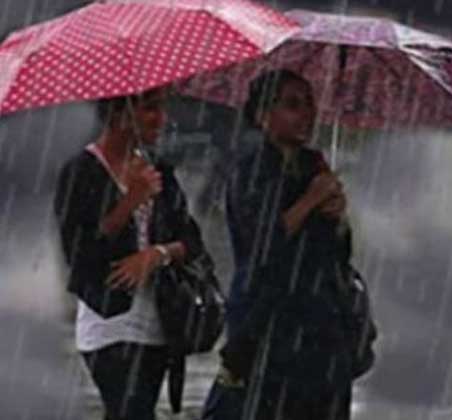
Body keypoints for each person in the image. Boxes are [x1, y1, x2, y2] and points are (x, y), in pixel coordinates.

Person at [202, 69, 357, 420]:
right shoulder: (251, 171)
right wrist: (310, 200)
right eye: (292, 104)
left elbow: (339, 254)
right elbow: (263, 245)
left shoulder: (315, 168)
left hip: (322, 326)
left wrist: (338, 217)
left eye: (309, 104)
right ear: (263, 116)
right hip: (267, 326)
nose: (306, 114)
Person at [54, 88, 211, 420]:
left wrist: (156, 254)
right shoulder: (81, 172)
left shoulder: (158, 170)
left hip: (159, 321)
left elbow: (192, 241)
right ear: (118, 113)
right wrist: (130, 201)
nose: (161, 119)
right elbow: (80, 252)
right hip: (109, 322)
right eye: (150, 109)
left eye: (162, 108)